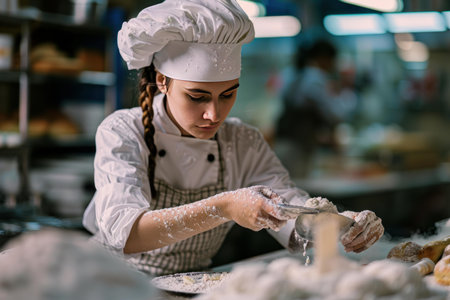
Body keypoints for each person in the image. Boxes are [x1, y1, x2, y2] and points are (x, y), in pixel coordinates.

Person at [82, 0, 383, 276]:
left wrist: (336, 224)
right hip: (112, 283)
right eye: (197, 97)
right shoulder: (122, 130)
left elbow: (288, 207)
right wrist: (223, 207)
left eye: (227, 94)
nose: (214, 114)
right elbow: (124, 233)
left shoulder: (242, 140)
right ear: (162, 80)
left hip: (188, 284)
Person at [276, 39, 357, 178]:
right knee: (296, 189)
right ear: (324, 58)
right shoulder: (315, 78)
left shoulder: (293, 74)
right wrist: (345, 91)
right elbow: (336, 114)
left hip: (285, 143)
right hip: (298, 146)